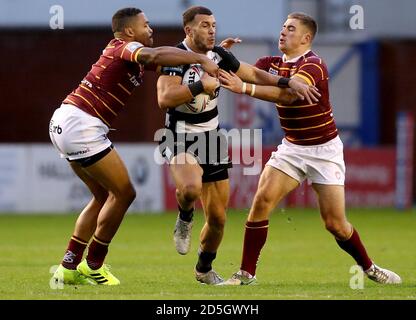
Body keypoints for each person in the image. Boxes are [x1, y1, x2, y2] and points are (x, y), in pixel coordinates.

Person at [219, 12, 401, 285]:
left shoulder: (314, 65)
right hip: (292, 148)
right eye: (282, 27)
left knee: (335, 224)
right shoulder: (273, 63)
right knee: (261, 202)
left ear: (306, 38)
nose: (283, 32)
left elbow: (290, 95)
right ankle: (246, 273)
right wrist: (221, 55)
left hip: (324, 151)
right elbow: (252, 72)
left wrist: (243, 88)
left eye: (290, 29)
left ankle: (369, 268)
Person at [49, 7, 220, 286]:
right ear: (130, 31)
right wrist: (201, 57)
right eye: (146, 25)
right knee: (124, 193)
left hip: (66, 122)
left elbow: (168, 60)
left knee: (103, 197)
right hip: (82, 124)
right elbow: (155, 55)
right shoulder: (124, 47)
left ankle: (69, 265)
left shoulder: (134, 56)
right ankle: (94, 265)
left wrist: (213, 56)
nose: (150, 29)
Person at [156, 6, 320, 285]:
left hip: (212, 137)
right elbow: (165, 98)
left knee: (219, 219)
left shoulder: (219, 55)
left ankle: (204, 269)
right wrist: (200, 86)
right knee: (191, 188)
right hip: (178, 135)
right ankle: (184, 216)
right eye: (205, 25)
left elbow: (253, 75)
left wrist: (286, 80)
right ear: (189, 30)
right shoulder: (175, 57)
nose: (212, 30)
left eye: (213, 25)